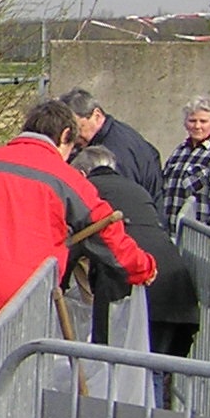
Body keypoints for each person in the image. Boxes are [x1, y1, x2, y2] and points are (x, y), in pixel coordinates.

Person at [0, 99, 158, 392]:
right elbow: (106, 231)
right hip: (19, 300)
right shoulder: (65, 177)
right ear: (66, 136)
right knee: (10, 395)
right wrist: (142, 268)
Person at [72, 145, 200, 361]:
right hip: (173, 288)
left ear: (82, 174)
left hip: (129, 287)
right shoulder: (136, 189)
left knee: (115, 369)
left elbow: (77, 245)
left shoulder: (87, 192)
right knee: (154, 370)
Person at [59, 88, 164, 202]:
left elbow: (120, 197)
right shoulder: (119, 135)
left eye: (79, 128)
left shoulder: (115, 149)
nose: (74, 137)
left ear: (97, 116)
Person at [160, 95, 210, 236]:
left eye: (203, 121)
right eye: (192, 121)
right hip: (170, 238)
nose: (197, 126)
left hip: (199, 243)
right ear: (186, 123)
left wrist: (207, 242)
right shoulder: (178, 153)